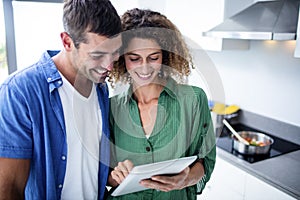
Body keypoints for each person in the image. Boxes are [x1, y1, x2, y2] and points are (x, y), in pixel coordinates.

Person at [0, 0, 122, 199]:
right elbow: (8, 188)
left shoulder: (100, 88)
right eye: (98, 55)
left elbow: (86, 166)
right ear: (67, 41)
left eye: (114, 52)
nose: (109, 66)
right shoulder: (19, 92)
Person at [107, 8, 216, 200]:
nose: (145, 68)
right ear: (122, 58)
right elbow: (102, 175)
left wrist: (186, 179)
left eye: (153, 58)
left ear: (164, 56)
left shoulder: (193, 101)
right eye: (134, 59)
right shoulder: (110, 108)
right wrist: (116, 176)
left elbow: (205, 161)